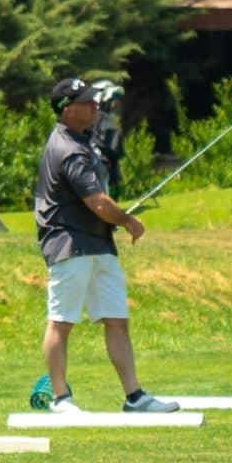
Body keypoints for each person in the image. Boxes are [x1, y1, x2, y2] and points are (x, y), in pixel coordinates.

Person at [33, 77, 177, 415]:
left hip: (97, 244)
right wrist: (127, 220)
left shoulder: (83, 142)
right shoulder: (67, 149)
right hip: (70, 245)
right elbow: (98, 203)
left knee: (116, 319)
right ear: (68, 111)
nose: (95, 106)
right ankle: (60, 399)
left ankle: (135, 397)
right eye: (87, 102)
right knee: (61, 322)